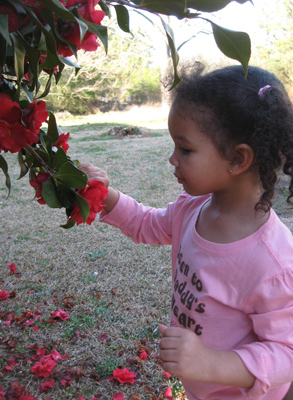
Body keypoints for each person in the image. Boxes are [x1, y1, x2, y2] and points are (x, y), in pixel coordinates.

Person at [79, 64, 293, 399]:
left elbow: (286, 355)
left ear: (238, 159)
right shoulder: (194, 208)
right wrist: (104, 197)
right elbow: (148, 224)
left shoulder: (273, 262)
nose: (172, 159)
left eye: (186, 149)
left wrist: (209, 363)